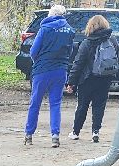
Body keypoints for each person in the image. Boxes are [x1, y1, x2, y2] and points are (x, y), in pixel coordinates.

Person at [23, 4, 76, 148]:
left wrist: (38, 61)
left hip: (42, 70)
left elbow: (34, 51)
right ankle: (55, 136)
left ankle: (29, 134)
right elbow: (70, 51)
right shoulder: (70, 31)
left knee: (35, 103)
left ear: (50, 15)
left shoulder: (44, 29)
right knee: (55, 104)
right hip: (60, 70)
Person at [69, 13, 116, 143]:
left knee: (82, 105)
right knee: (99, 106)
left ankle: (75, 132)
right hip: (105, 78)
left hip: (87, 79)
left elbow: (78, 63)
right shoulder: (112, 40)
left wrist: (71, 82)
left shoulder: (87, 42)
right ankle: (95, 132)